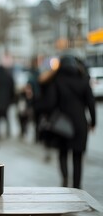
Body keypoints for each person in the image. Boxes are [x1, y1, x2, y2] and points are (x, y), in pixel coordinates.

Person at [37, 54, 96, 189]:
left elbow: (50, 103)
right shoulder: (83, 80)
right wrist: (93, 122)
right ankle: (76, 185)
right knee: (78, 156)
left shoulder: (57, 80)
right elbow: (91, 103)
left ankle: (64, 179)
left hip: (62, 124)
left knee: (63, 153)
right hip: (81, 124)